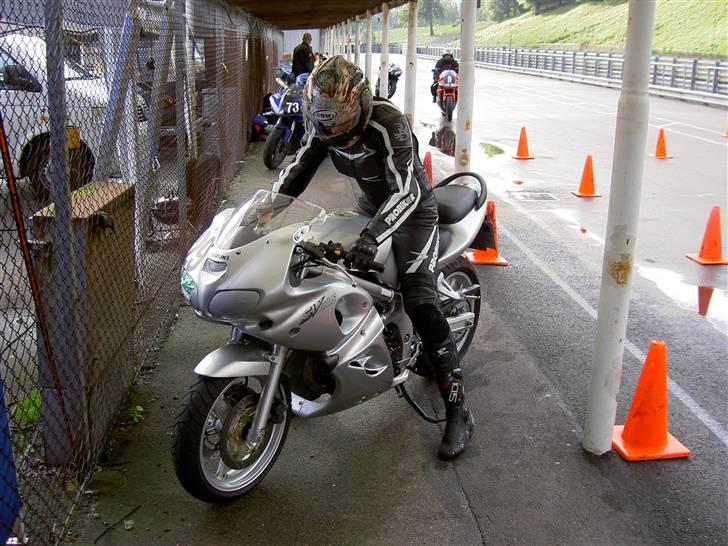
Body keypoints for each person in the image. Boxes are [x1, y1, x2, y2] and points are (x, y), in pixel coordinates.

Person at [273, 56, 474, 460]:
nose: (333, 131)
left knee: (420, 301)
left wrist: (372, 236)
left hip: (413, 211)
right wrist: (265, 212)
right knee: (322, 272)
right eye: (325, 121)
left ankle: (458, 409)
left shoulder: (389, 122)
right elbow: (299, 169)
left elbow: (406, 191)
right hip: (369, 207)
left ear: (360, 103)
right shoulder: (326, 125)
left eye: (340, 121)